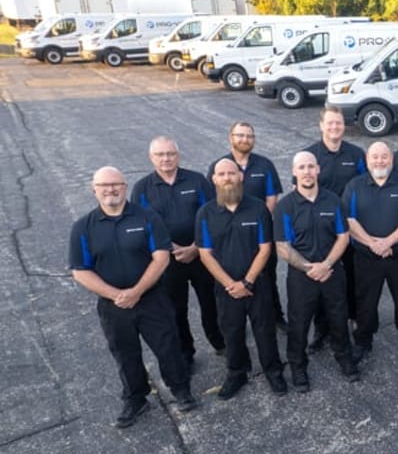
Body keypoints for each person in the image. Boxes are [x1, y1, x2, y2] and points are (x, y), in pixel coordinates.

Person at [69, 166, 199, 428]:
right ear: (94, 189)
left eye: (115, 184)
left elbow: (161, 258)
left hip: (152, 298)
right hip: (113, 305)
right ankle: (136, 398)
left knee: (168, 347)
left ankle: (181, 390)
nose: (111, 190)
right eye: (104, 185)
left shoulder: (147, 218)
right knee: (124, 353)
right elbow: (80, 270)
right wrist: (118, 295)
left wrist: (137, 291)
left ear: (124, 186)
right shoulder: (83, 227)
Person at [130, 136, 224, 371]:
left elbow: (212, 214)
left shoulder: (197, 180)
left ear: (178, 155)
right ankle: (186, 351)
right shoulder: (142, 189)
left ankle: (220, 342)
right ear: (151, 158)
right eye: (160, 155)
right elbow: (144, 226)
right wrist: (171, 248)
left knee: (211, 302)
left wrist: (195, 247)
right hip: (167, 262)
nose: (166, 159)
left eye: (170, 154)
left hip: (202, 255)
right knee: (176, 309)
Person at [196, 159, 287, 400]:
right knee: (232, 331)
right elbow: (205, 254)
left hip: (258, 284)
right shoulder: (205, 213)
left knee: (265, 329)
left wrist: (247, 282)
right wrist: (230, 284)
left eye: (232, 173)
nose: (227, 177)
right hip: (226, 288)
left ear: (241, 177)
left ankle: (273, 370)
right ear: (214, 179)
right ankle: (237, 373)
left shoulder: (258, 209)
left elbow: (265, 248)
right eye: (222, 174)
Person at [274, 151, 360, 391]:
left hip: (332, 271)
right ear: (294, 172)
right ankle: (298, 367)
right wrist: (309, 268)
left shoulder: (333, 201)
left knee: (338, 317)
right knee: (298, 324)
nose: (307, 171)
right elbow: (283, 247)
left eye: (311, 167)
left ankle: (344, 358)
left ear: (318, 170)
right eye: (302, 167)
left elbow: (344, 236)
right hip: (301, 276)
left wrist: (327, 264)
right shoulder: (285, 207)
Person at [342, 141, 398, 361]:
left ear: (391, 159)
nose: (380, 161)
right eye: (375, 157)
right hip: (366, 257)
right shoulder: (354, 186)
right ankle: (363, 340)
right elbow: (349, 219)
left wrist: (388, 242)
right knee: (365, 301)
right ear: (367, 160)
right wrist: (372, 243)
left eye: (384, 156)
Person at [209, 121, 286, 329]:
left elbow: (271, 197)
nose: (244, 139)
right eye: (240, 135)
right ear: (230, 138)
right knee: (230, 278)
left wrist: (257, 223)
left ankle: (275, 316)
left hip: (261, 234)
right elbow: (213, 202)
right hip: (229, 236)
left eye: (249, 136)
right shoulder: (220, 167)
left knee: (266, 278)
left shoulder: (265, 165)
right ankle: (235, 324)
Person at [305, 105, 366, 346]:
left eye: (338, 123)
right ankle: (322, 328)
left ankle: (352, 317)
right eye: (330, 123)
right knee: (321, 278)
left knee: (351, 276)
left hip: (351, 229)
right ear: (321, 125)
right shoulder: (310, 156)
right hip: (321, 230)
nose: (334, 127)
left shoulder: (356, 155)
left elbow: (364, 187)